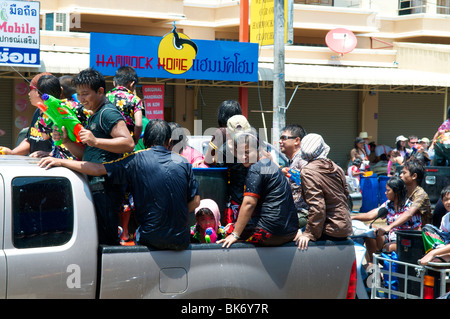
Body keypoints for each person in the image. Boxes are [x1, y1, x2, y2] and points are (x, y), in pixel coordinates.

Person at [39, 119, 200, 250]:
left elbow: (97, 169)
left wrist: (61, 161)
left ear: (144, 140)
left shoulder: (136, 159)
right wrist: (171, 211)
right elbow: (196, 202)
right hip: (181, 240)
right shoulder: (184, 162)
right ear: (169, 141)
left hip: (150, 239)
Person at [54, 68, 135, 245]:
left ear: (100, 91)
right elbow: (89, 154)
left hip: (106, 188)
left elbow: (128, 143)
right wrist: (67, 142)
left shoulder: (107, 113)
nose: (81, 99)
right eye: (78, 94)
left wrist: (95, 140)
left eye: (85, 94)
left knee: (106, 239)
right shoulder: (94, 114)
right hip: (96, 185)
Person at [218, 131, 299, 248]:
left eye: (247, 152)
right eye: (240, 153)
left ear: (257, 150)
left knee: (227, 230)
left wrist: (235, 235)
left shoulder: (256, 168)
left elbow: (249, 203)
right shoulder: (268, 165)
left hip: (269, 233)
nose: (243, 156)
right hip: (290, 232)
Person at [295, 133, 353, 251]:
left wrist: (309, 234)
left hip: (330, 228)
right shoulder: (336, 168)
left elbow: (317, 206)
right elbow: (346, 195)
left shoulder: (308, 172)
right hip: (345, 225)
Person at [352, 176, 419, 261]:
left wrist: (389, 227)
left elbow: (417, 229)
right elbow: (370, 215)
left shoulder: (410, 207)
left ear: (396, 192)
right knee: (369, 231)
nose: (385, 193)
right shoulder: (388, 204)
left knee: (389, 247)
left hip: (404, 241)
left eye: (388, 190)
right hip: (388, 237)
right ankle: (372, 264)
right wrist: (353, 218)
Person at [204, 103, 249, 225]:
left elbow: (208, 159)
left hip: (231, 191)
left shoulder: (221, 132)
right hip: (250, 190)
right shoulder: (248, 132)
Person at [34, 74, 90, 160]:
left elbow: (44, 136)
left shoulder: (45, 116)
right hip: (85, 155)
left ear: (39, 95)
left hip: (64, 160)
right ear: (61, 90)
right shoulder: (76, 105)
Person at [0, 72, 53, 157]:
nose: (28, 94)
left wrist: (50, 154)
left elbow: (66, 146)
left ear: (39, 91)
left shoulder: (58, 114)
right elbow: (30, 140)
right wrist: (12, 152)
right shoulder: (37, 112)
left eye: (30, 89)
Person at [377, 159, 432, 237]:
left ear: (414, 176)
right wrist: (355, 217)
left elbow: (409, 213)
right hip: (403, 231)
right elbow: (381, 209)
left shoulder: (420, 195)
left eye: (404, 173)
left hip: (421, 235)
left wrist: (389, 227)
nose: (400, 175)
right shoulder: (404, 192)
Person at [279, 124, 309, 228]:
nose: (280, 141)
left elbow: (306, 183)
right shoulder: (293, 160)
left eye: (284, 138)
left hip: (303, 213)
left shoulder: (302, 160)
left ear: (297, 141)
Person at [106, 66, 144, 145]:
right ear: (132, 84)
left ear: (114, 83)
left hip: (106, 143)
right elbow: (139, 124)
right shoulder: (135, 99)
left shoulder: (105, 97)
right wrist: (134, 140)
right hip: (125, 145)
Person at [419, 186, 450, 265]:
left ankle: (444, 255)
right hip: (446, 245)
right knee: (427, 229)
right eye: (445, 200)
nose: (448, 202)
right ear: (442, 202)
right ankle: (442, 254)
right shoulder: (445, 218)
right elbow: (442, 237)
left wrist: (433, 253)